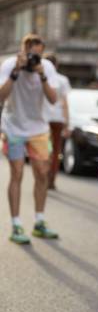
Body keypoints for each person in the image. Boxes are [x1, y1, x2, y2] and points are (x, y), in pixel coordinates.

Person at [0, 33, 59, 244]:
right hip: (13, 127)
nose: (35, 58)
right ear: (24, 51)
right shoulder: (9, 64)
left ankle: (39, 222)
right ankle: (16, 225)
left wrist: (42, 75)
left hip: (39, 129)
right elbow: (1, 95)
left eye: (39, 54)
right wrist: (16, 71)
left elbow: (53, 99)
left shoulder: (47, 68)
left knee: (42, 174)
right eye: (31, 54)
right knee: (16, 172)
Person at [43, 53, 71, 190]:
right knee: (55, 151)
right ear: (56, 65)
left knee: (44, 149)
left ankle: (43, 176)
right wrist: (67, 123)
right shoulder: (62, 79)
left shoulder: (41, 78)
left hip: (43, 119)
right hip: (58, 119)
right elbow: (65, 103)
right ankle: (51, 179)